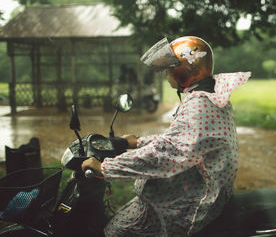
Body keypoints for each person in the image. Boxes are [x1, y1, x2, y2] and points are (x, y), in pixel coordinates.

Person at [81, 36, 251, 236]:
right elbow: (182, 140)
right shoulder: (205, 95)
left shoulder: (200, 105)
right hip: (192, 186)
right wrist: (137, 142)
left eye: (169, 67)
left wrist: (105, 167)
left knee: (115, 232)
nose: (165, 72)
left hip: (191, 202)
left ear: (185, 68)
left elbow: (167, 155)